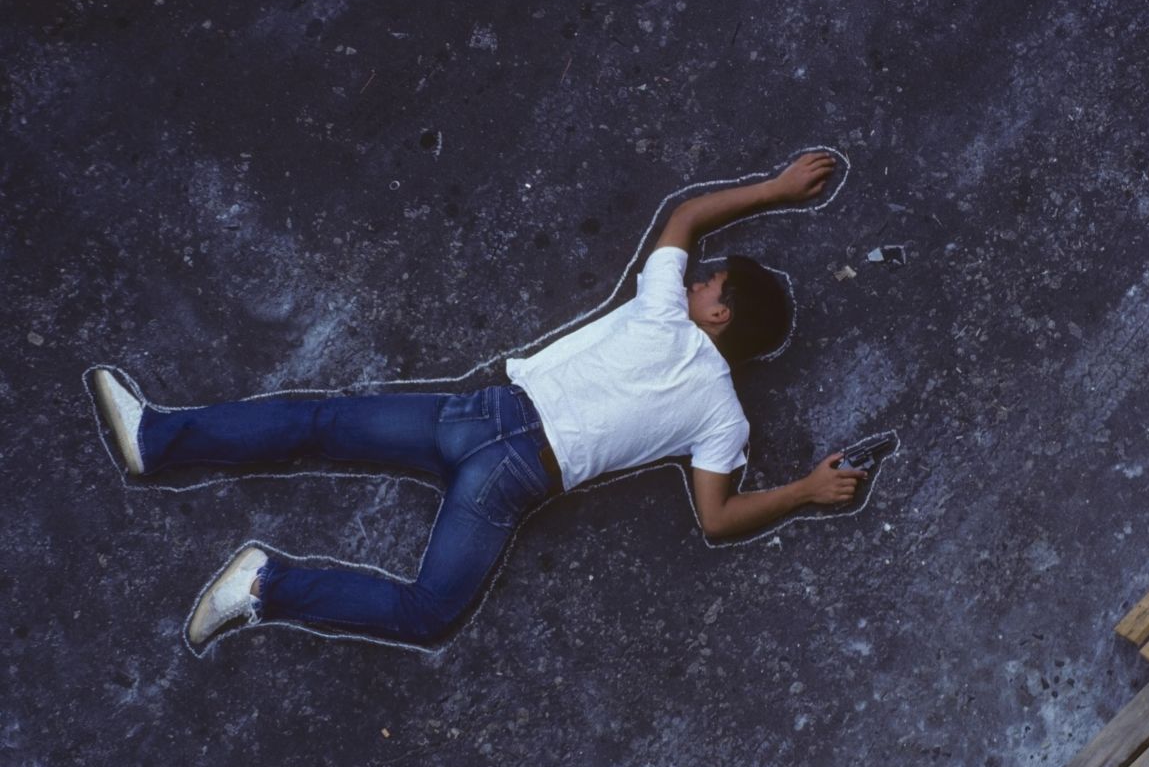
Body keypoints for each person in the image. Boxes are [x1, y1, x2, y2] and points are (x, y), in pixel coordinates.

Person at [90, 151, 866, 651]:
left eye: (712, 281)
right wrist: (804, 491)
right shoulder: (722, 416)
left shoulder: (666, 312)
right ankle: (266, 582)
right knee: (429, 612)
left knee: (322, 422)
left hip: (486, 415)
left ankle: (159, 439)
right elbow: (720, 519)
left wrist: (777, 189)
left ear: (718, 313)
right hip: (517, 473)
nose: (698, 277)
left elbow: (686, 216)